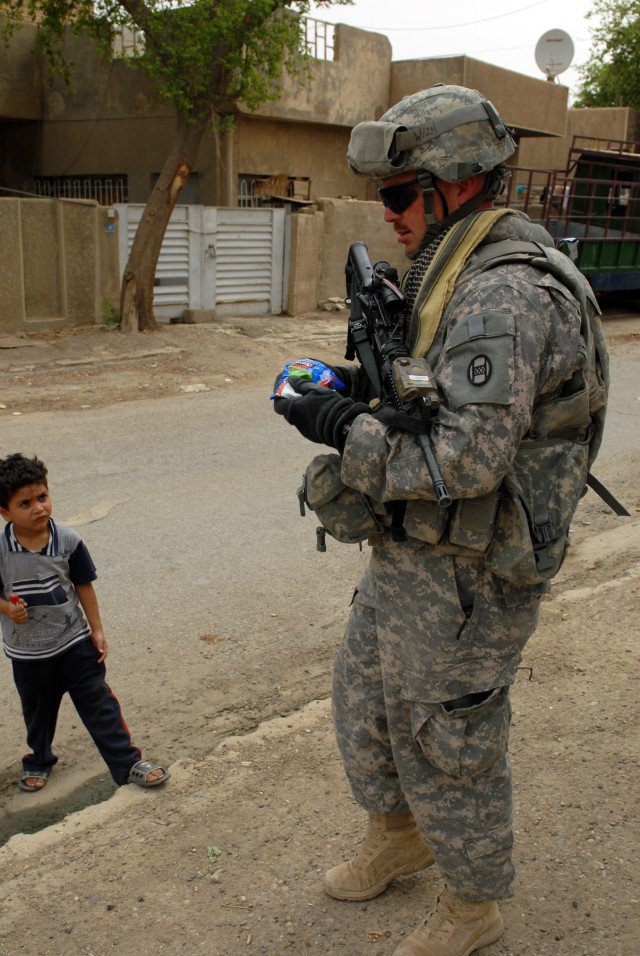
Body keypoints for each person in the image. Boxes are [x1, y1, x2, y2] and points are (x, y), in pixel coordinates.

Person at [273, 85, 607, 955]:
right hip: (412, 550)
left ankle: (471, 907)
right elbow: (434, 398)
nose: (387, 216)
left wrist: (344, 431)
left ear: (454, 186)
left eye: (396, 194)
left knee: (451, 739)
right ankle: (398, 836)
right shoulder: (455, 269)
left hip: (471, 572)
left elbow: (464, 459)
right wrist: (358, 392)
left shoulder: (507, 294)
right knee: (367, 701)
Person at [0, 453, 170, 793]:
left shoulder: (68, 540)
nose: (39, 508)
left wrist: (97, 629)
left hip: (75, 642)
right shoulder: (0, 550)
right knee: (38, 714)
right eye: (25, 503)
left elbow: (83, 585)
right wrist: (6, 609)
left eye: (43, 497)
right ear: (5, 512)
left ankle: (127, 764)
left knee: (99, 704)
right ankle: (39, 760)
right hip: (29, 654)